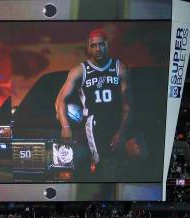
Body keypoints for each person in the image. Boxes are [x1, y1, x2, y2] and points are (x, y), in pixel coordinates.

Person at [55, 28, 132, 181]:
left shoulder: (120, 68)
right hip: (94, 122)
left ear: (107, 45)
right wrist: (65, 127)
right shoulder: (80, 71)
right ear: (89, 47)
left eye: (101, 45)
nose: (98, 49)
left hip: (117, 120)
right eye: (94, 45)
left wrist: (122, 132)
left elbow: (128, 105)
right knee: (105, 164)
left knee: (134, 153)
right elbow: (60, 100)